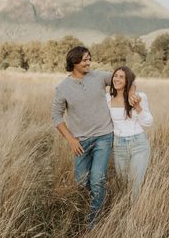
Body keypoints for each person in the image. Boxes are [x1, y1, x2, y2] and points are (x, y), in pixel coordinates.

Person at [51, 46, 137, 228]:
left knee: (97, 178)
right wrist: (71, 140)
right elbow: (56, 117)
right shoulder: (62, 88)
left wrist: (130, 93)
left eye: (89, 59)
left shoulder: (99, 77)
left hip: (103, 136)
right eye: (84, 60)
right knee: (81, 181)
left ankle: (94, 220)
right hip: (80, 141)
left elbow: (125, 77)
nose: (88, 62)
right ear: (74, 62)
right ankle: (99, 197)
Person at [106, 66, 153, 200]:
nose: (117, 79)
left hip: (138, 144)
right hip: (118, 145)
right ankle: (122, 211)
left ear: (128, 81)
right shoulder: (108, 98)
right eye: (115, 76)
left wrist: (137, 106)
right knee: (122, 184)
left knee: (135, 185)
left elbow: (148, 122)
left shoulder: (140, 97)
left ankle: (133, 216)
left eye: (122, 77)